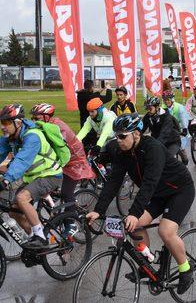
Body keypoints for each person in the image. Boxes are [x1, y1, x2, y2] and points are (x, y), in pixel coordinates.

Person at [86, 114, 196, 294]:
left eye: (123, 136)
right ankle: (147, 263)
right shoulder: (123, 154)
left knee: (165, 231)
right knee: (134, 225)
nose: (118, 140)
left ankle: (186, 269)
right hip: (158, 194)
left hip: (180, 190)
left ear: (136, 134)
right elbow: (114, 182)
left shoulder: (153, 148)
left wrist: (134, 212)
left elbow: (149, 183)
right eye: (116, 136)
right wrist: (99, 210)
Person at [0, 104, 63, 248]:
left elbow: (22, 160)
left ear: (18, 123)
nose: (3, 127)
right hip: (33, 177)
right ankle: (33, 240)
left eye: (6, 123)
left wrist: (6, 180)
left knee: (22, 198)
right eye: (1, 123)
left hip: (50, 175)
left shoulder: (33, 136)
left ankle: (40, 237)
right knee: (13, 210)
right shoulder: (11, 136)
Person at [30, 103, 95, 236]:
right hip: (62, 160)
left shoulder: (57, 127)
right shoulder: (45, 125)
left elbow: (61, 149)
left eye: (36, 118)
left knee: (66, 192)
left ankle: (72, 222)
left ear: (46, 116)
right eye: (33, 118)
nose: (34, 121)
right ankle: (58, 211)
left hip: (74, 161)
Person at [76, 79, 113, 145]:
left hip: (83, 121)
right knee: (94, 143)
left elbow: (90, 95)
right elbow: (108, 97)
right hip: (94, 124)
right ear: (92, 87)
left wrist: (100, 90)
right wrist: (108, 89)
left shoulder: (80, 95)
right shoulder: (94, 99)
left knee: (84, 140)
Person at [162, 91, 190, 165]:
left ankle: (184, 159)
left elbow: (184, 119)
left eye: (168, 100)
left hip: (180, 128)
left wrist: (184, 129)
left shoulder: (179, 107)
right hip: (169, 129)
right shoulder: (162, 108)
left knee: (180, 146)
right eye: (165, 100)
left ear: (172, 100)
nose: (166, 101)